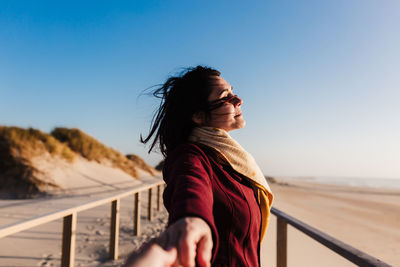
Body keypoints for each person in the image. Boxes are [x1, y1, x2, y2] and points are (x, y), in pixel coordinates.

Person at [141, 66, 274, 267]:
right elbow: (190, 183)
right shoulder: (190, 155)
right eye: (226, 97)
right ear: (199, 116)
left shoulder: (228, 159)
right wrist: (192, 218)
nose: (239, 100)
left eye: (233, 92)